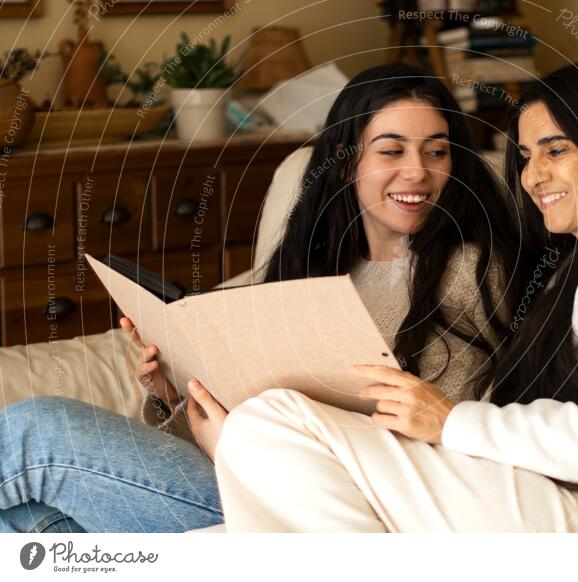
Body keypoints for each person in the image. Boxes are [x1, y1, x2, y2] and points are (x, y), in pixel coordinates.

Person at [212, 60, 578, 533]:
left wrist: (452, 422)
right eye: (524, 156)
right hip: (532, 492)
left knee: (269, 423)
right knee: (243, 492)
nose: (533, 176)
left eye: (556, 151)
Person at [0, 63, 522, 533]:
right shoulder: (314, 264)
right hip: (235, 473)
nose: (417, 172)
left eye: (436, 150)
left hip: (312, 504)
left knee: (38, 429)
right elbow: (214, 425)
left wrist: (241, 447)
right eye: (391, 150)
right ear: (345, 164)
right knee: (34, 525)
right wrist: (169, 390)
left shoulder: (465, 270)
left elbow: (426, 451)